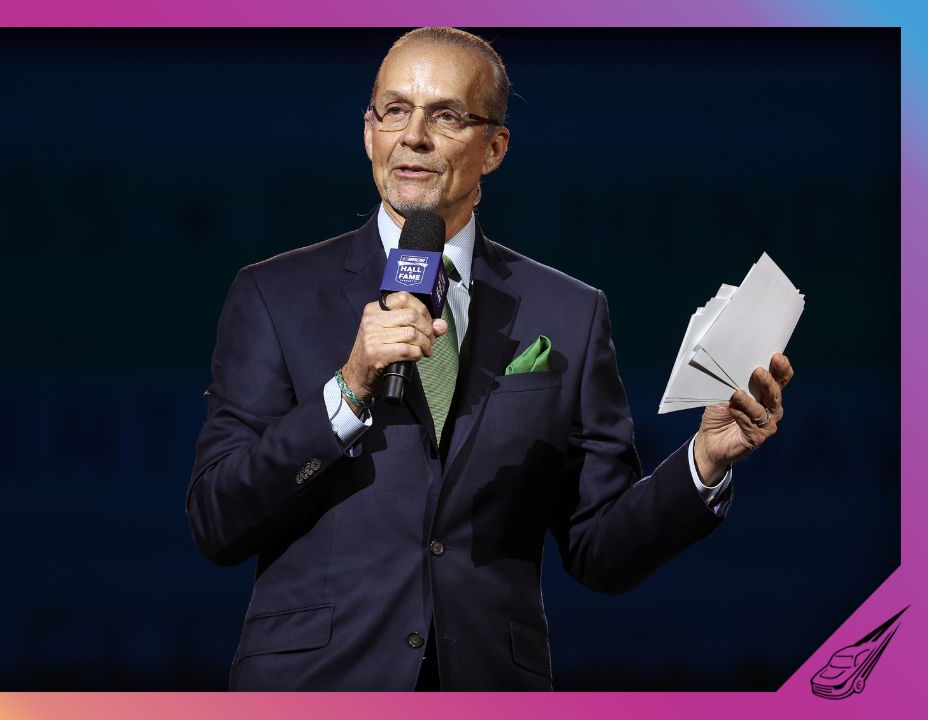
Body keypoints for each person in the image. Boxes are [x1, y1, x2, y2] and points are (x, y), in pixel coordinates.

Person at [186, 27, 794, 691]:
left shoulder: (568, 312)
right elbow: (218, 519)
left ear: (495, 147)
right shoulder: (275, 295)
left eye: (445, 115)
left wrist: (703, 465)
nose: (413, 136)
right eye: (394, 110)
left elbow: (601, 551)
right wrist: (349, 390)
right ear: (369, 133)